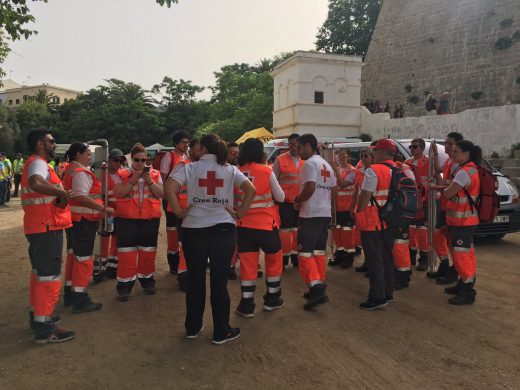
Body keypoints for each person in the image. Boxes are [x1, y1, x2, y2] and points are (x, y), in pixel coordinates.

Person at [166, 133, 255, 344]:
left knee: (195, 280)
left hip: (194, 230)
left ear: (204, 148)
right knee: (219, 282)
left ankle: (192, 327)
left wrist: (179, 211)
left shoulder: (189, 167)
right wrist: (239, 213)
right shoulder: (230, 169)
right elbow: (251, 190)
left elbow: (169, 187)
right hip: (223, 230)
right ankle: (221, 331)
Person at [21, 129, 75, 343]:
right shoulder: (39, 164)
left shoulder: (38, 163)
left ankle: (38, 318)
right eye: (51, 142)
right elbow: (35, 183)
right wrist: (60, 193)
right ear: (40, 143)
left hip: (39, 227)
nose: (55, 145)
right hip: (46, 228)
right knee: (49, 277)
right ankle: (45, 329)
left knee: (39, 274)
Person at [234, 138, 285, 318]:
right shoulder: (266, 171)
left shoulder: (236, 172)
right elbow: (280, 197)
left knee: (248, 265)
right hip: (266, 225)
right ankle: (272, 299)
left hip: (244, 227)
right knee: (274, 259)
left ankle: (246, 305)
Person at [62, 142, 111, 313]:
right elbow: (81, 197)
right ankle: (80, 299)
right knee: (83, 259)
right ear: (78, 155)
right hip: (83, 221)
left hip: (74, 219)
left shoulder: (70, 169)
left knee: (74, 256)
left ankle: (69, 292)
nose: (90, 156)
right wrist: (104, 209)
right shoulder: (80, 172)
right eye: (88, 154)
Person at [113, 143, 164, 300]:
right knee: (126, 254)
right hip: (126, 220)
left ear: (147, 159)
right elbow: (119, 193)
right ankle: (124, 287)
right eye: (137, 160)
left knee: (148, 252)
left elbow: (161, 193)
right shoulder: (121, 173)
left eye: (143, 160)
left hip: (149, 220)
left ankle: (147, 281)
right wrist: (132, 180)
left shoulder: (155, 174)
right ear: (131, 159)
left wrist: (149, 181)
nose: (140, 163)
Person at [294, 134, 336, 310]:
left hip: (310, 214)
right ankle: (319, 283)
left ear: (309, 146)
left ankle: (316, 288)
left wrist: (298, 199)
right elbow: (334, 192)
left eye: (299, 147)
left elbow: (310, 187)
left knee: (305, 253)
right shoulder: (327, 165)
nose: (298, 151)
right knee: (319, 252)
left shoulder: (310, 164)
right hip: (324, 213)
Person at [438, 140, 481, 305]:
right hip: (465, 220)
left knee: (462, 255)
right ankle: (463, 284)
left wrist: (444, 189)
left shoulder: (463, 172)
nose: (453, 154)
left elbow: (448, 194)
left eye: (456, 151)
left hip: (462, 221)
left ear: (466, 154)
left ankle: (467, 291)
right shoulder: (471, 169)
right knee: (465, 253)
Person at [356, 139, 396, 310]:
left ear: (380, 152)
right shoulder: (399, 169)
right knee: (387, 258)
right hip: (391, 220)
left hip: (372, 221)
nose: (373, 155)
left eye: (375, 151)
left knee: (374, 260)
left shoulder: (374, 170)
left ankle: (377, 297)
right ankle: (388, 293)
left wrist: (358, 210)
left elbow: (365, 196)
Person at [430, 132, 464, 284]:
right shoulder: (451, 160)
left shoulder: (459, 165)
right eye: (446, 143)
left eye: (450, 144)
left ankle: (453, 271)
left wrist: (438, 187)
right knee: (438, 236)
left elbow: (449, 186)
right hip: (446, 206)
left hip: (455, 210)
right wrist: (436, 153)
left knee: (453, 243)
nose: (447, 146)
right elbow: (439, 173)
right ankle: (445, 266)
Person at [161, 130, 190, 274]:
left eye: (187, 142)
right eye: (183, 142)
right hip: (171, 202)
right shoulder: (168, 157)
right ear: (176, 143)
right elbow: (163, 180)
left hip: (184, 203)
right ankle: (173, 262)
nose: (186, 145)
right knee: (172, 232)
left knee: (183, 234)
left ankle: (182, 262)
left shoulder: (188, 157)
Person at [273, 133, 303, 268]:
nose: (293, 146)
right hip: (285, 202)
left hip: (301, 202)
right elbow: (273, 182)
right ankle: (284, 257)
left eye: (296, 143)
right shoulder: (280, 160)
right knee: (285, 231)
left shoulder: (305, 160)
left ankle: (296, 255)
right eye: (290, 143)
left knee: (297, 230)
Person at [98, 149, 126, 280]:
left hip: (119, 213)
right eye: (115, 160)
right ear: (109, 160)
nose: (118, 163)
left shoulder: (122, 174)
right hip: (105, 213)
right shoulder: (101, 174)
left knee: (116, 240)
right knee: (103, 240)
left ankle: (112, 267)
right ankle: (100, 269)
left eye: (121, 160)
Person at [405, 138, 430, 271]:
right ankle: (411, 255)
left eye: (415, 147)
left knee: (422, 232)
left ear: (422, 148)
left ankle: (424, 258)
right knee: (411, 230)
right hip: (410, 201)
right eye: (411, 147)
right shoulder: (407, 162)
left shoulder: (428, 162)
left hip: (424, 201)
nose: (412, 149)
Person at [330, 148, 357, 268]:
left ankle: (349, 257)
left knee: (347, 234)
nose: (340, 157)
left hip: (347, 207)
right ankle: (339, 255)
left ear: (349, 157)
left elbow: (342, 184)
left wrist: (335, 170)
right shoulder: (336, 170)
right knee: (337, 233)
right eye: (338, 155)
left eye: (343, 155)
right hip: (336, 207)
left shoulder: (352, 171)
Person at [354, 147, 374, 273]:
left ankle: (372, 265)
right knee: (364, 239)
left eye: (366, 156)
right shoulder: (359, 171)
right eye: (362, 156)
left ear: (372, 157)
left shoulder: (375, 171)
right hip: (362, 209)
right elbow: (357, 191)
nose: (363, 159)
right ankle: (367, 262)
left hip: (372, 210)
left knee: (372, 240)